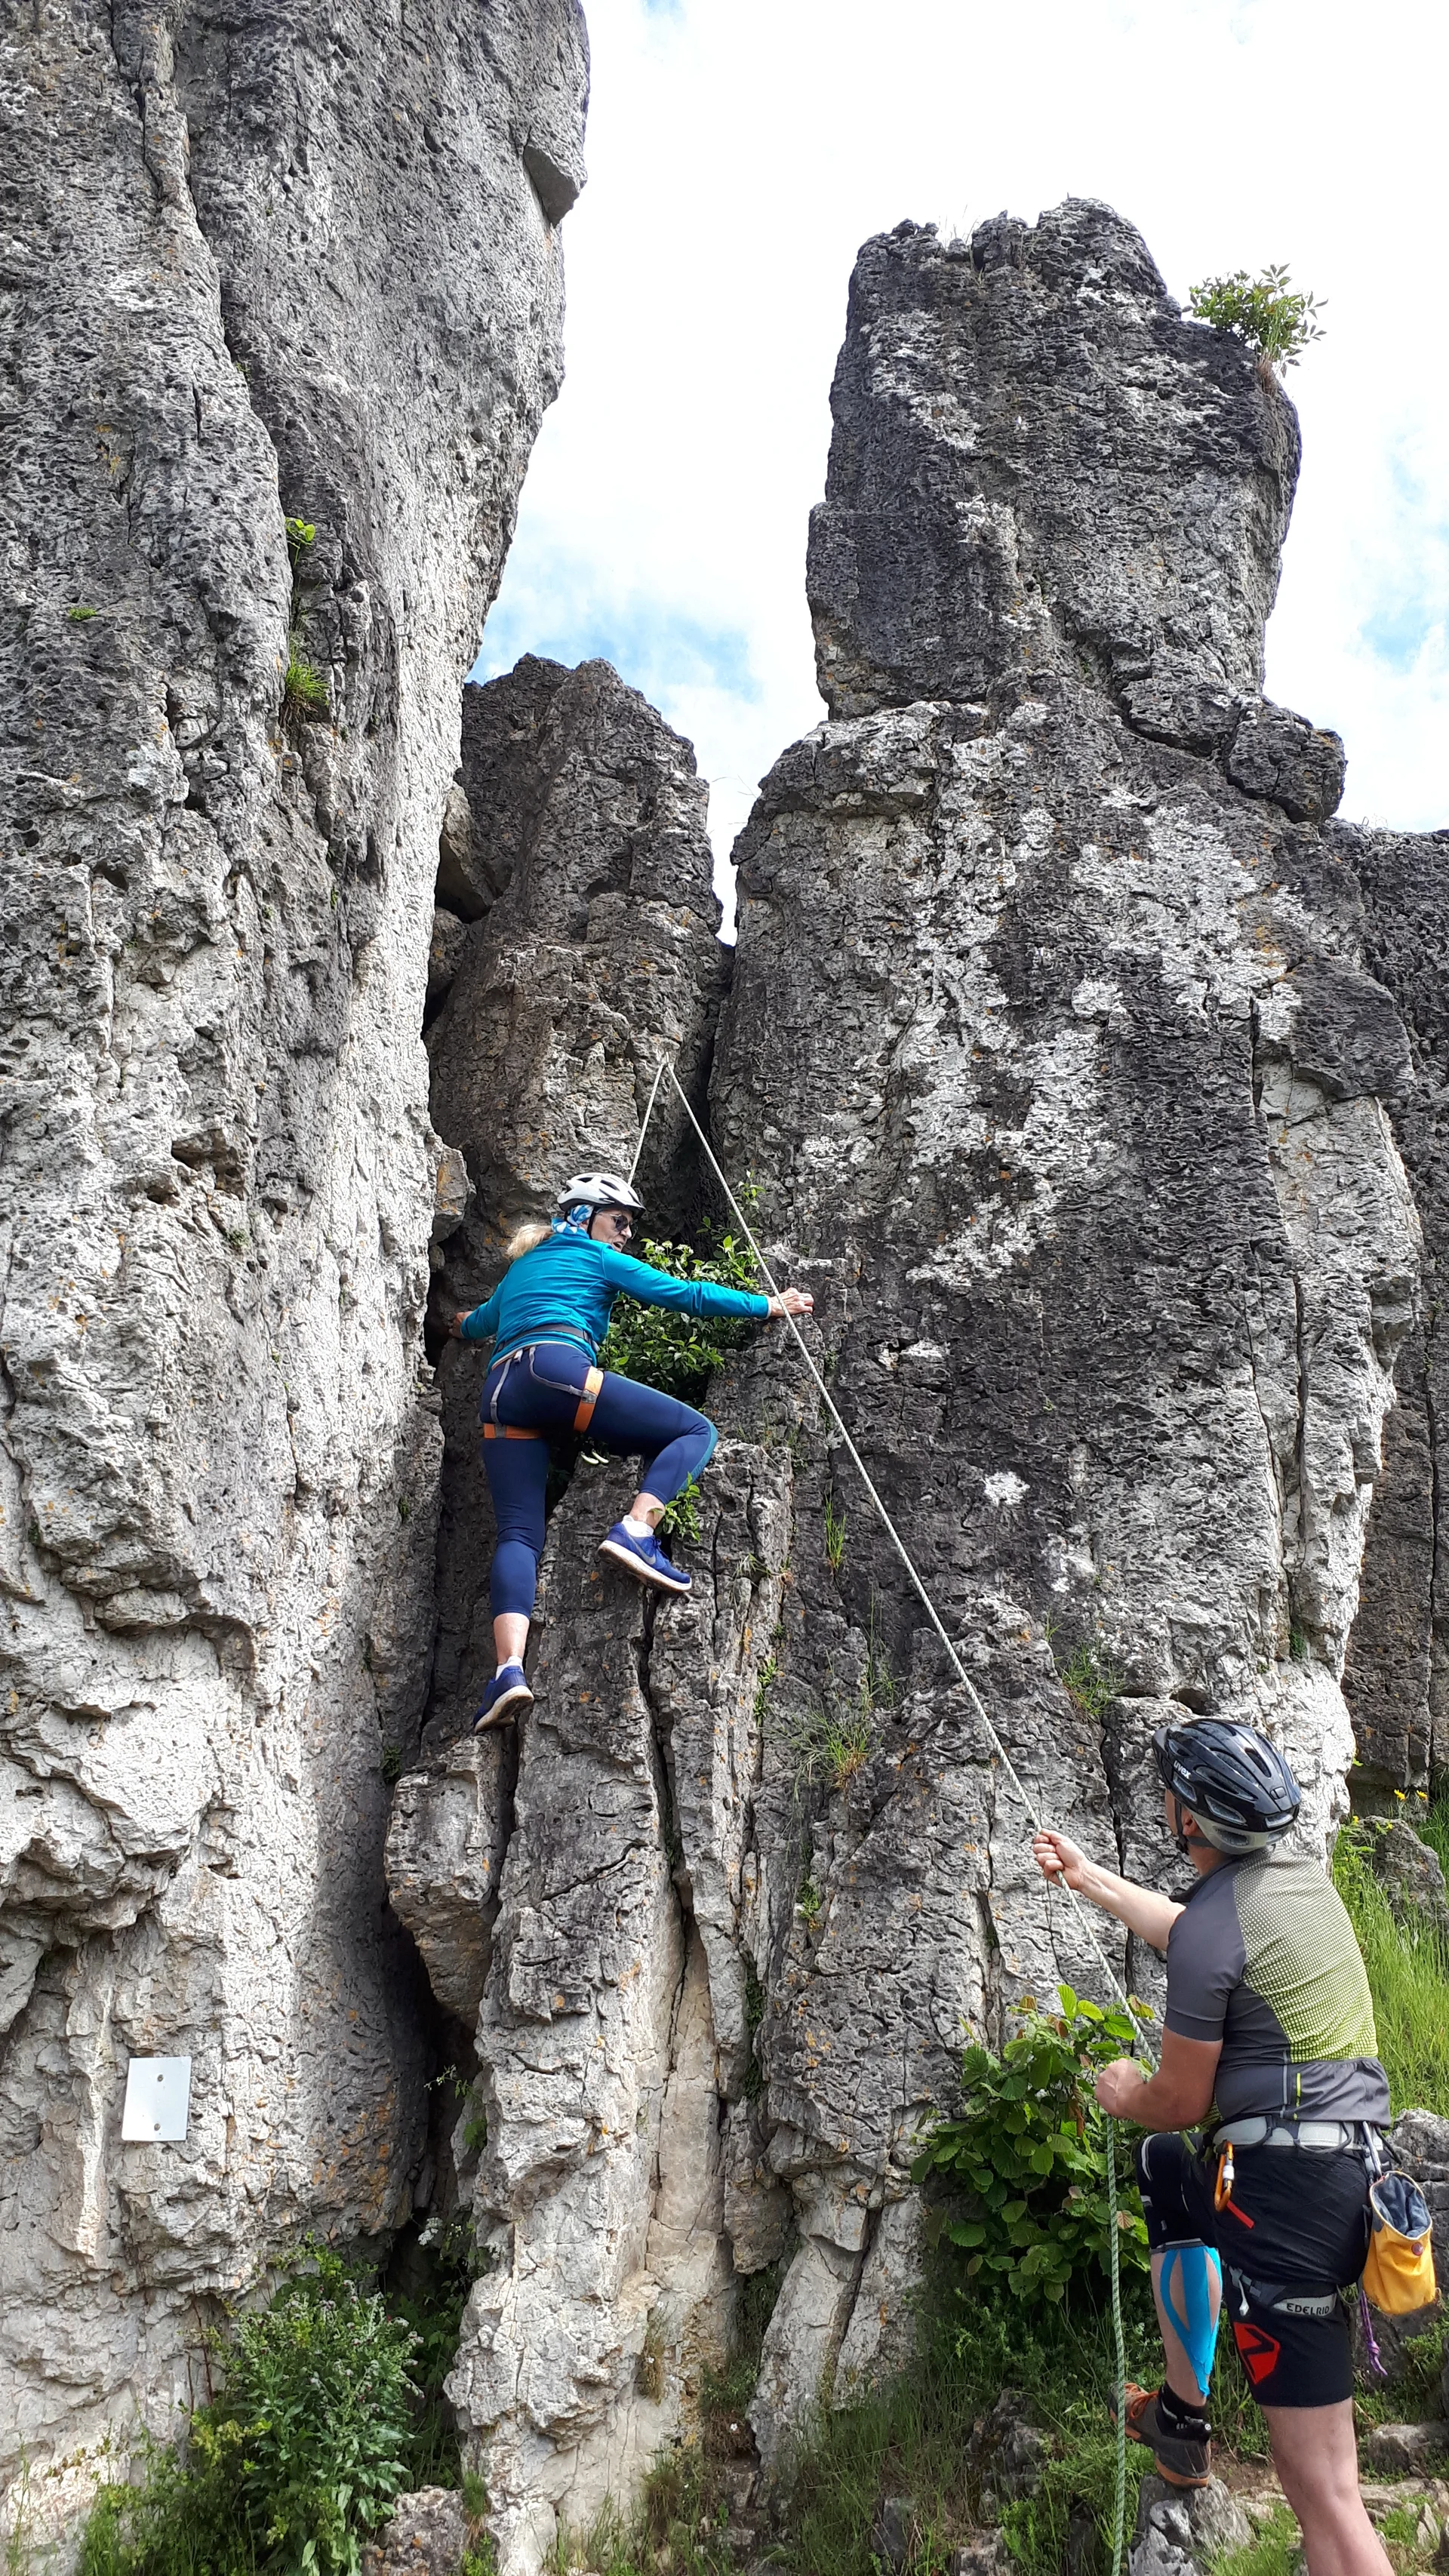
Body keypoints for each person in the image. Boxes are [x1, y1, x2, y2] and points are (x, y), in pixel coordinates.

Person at [1033, 1719, 1393, 2576]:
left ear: (1188, 1819)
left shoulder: (1212, 1929)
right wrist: (1090, 1880)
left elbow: (1179, 2100)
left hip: (1282, 2203)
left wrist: (1123, 2093)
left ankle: (1186, 2421)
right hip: (1348, 2186)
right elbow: (1192, 1929)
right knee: (1172, 2173)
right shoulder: (1304, 1886)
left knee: (1324, 2492)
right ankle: (1181, 2421)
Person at [450, 1168, 814, 1731]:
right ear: (583, 1216)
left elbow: (476, 1323)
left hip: (499, 1393)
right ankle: (638, 1530)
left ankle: (508, 1670)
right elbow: (684, 1295)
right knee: (695, 1432)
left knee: (519, 1535)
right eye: (618, 1221)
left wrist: (446, 1326)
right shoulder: (596, 1258)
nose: (624, 1235)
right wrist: (767, 1304)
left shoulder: (520, 1268)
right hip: (556, 1370)